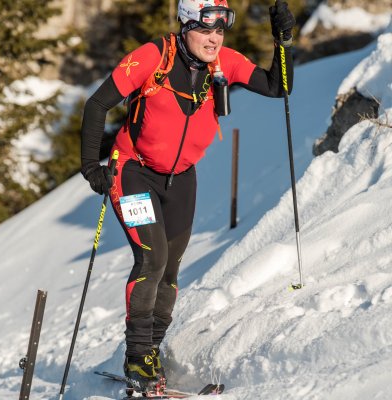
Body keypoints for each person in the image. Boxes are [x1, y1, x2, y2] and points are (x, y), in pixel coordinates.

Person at [80, 0, 295, 394]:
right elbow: (97, 104)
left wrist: (283, 42)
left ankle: (151, 351)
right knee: (152, 258)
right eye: (206, 29)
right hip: (133, 171)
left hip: (180, 179)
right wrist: (91, 167)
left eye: (220, 30)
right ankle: (136, 357)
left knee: (171, 270)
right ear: (186, 26)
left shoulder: (225, 62)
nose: (215, 38)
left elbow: (277, 86)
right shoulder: (152, 57)